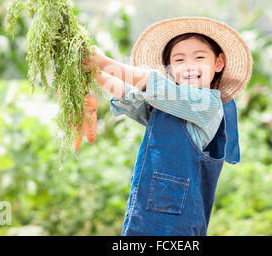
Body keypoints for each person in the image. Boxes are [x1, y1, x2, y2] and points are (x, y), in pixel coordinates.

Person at [84, 16, 253, 235]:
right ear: (170, 69)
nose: (189, 66)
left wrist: (101, 61)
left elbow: (153, 85)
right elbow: (128, 95)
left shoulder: (208, 104)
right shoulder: (164, 104)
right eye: (179, 60)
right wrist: (92, 71)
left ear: (218, 63)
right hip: (143, 216)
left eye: (199, 57)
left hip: (179, 225)